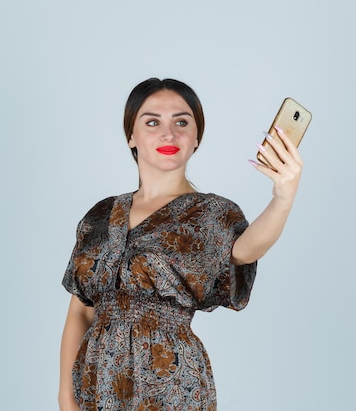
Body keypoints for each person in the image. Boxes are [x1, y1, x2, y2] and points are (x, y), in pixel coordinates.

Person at [59, 78, 303, 411]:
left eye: (182, 122)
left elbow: (247, 249)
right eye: (152, 121)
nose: (168, 133)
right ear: (131, 134)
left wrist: (283, 197)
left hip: (172, 385)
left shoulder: (212, 214)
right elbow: (80, 310)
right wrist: (66, 398)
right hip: (95, 386)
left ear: (196, 136)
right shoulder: (100, 216)